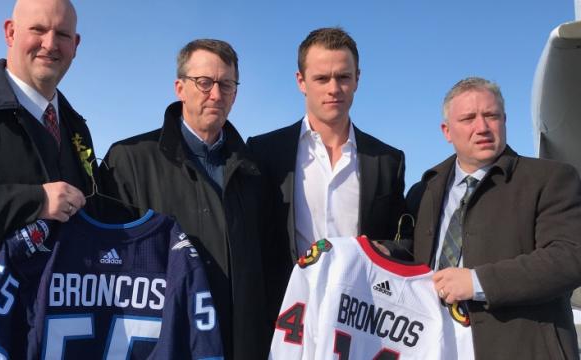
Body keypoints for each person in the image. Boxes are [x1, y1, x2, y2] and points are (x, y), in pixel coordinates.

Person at [0, 0, 95, 357]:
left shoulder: (77, 130)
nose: (50, 44)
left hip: (60, 332)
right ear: (10, 32)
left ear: (76, 45)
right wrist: (36, 202)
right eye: (38, 30)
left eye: (62, 34)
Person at [100, 39, 269, 359]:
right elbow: (106, 266)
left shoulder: (254, 171)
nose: (216, 94)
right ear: (180, 87)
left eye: (227, 84)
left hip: (238, 344)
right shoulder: (129, 161)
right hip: (165, 344)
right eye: (204, 82)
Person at [406, 77, 581, 359]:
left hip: (522, 349)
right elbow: (411, 254)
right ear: (446, 131)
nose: (482, 128)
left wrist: (478, 282)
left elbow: (569, 258)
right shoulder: (425, 189)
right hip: (438, 346)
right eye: (468, 118)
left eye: (491, 116)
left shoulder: (550, 179)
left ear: (505, 120)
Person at [247, 27, 406, 321]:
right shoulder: (263, 152)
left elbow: (404, 239)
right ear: (301, 81)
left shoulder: (387, 160)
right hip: (285, 316)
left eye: (343, 77)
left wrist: (380, 249)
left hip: (360, 318)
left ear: (357, 79)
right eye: (321, 78)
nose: (334, 88)